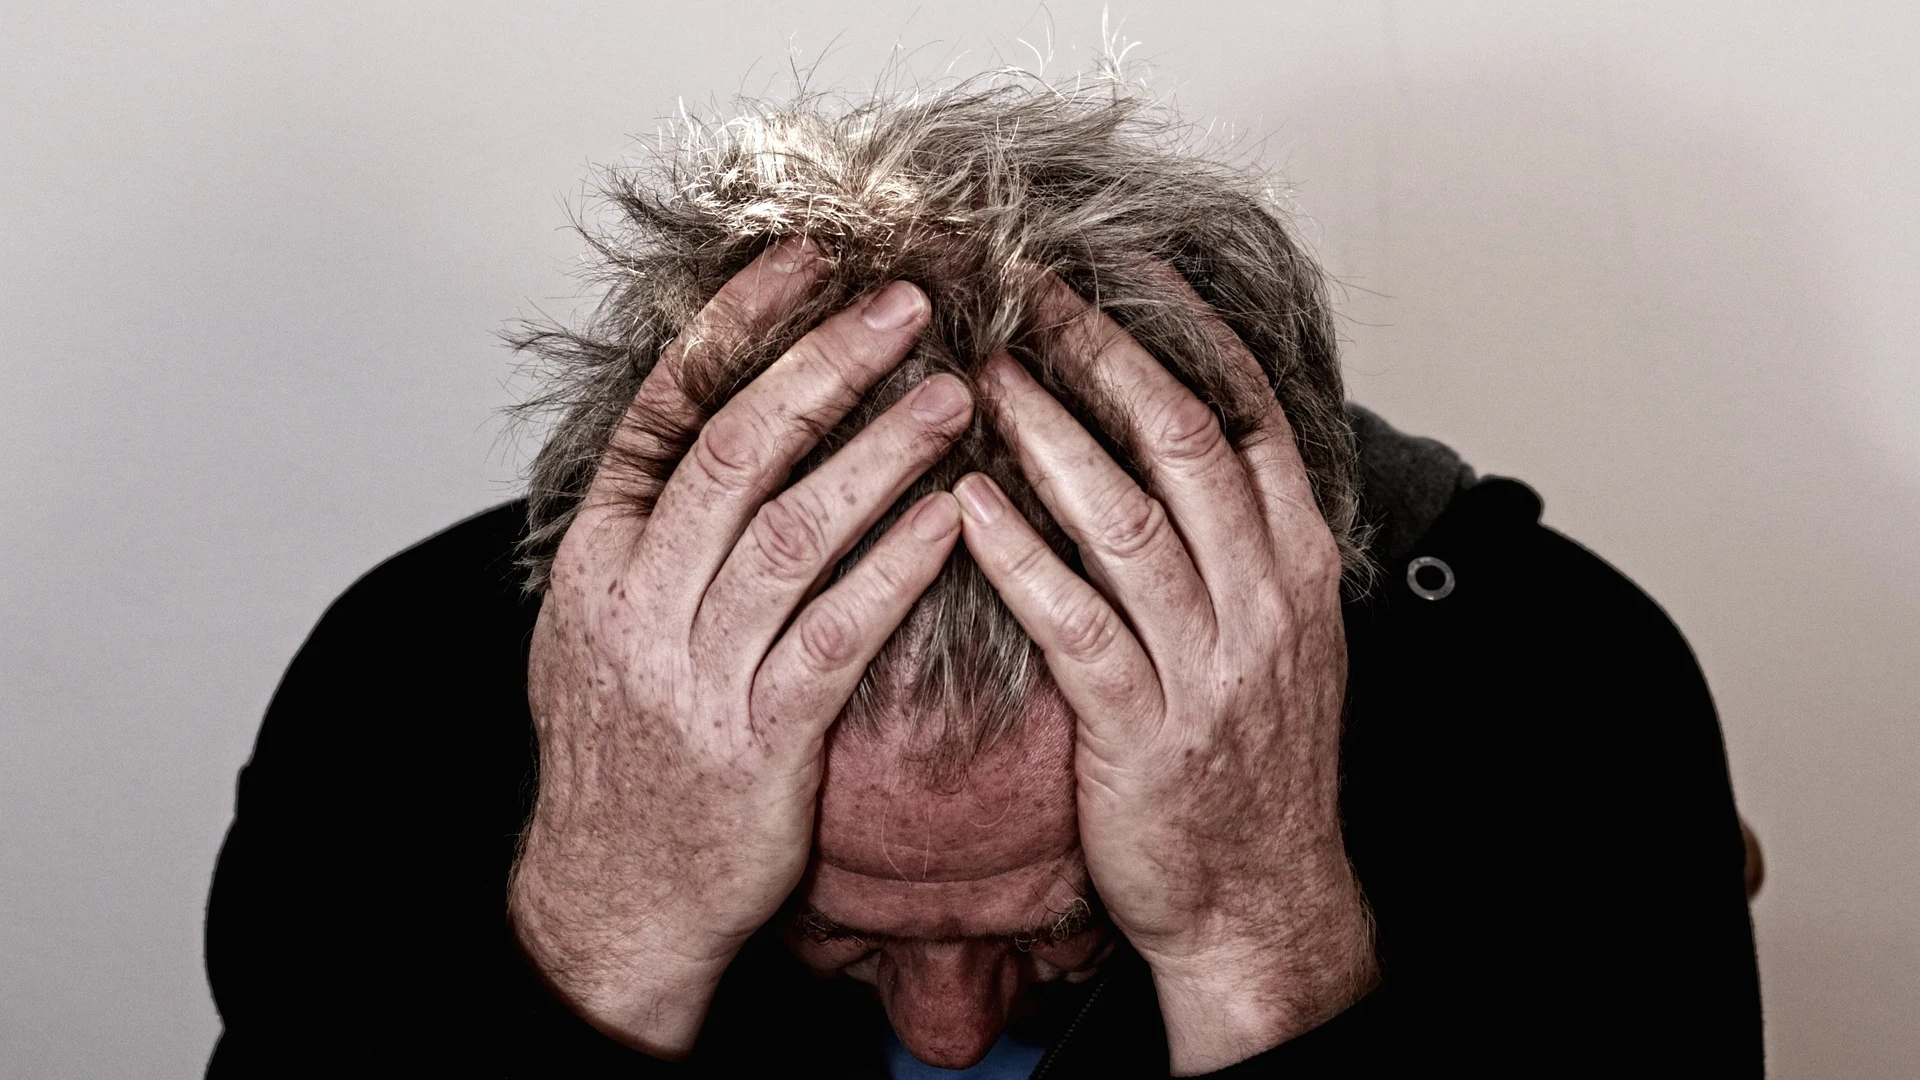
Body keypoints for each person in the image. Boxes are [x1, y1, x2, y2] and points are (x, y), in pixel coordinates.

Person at [204, 75, 1763, 1077]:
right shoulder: (403, 687)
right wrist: (604, 942)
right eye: (845, 932)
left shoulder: (1569, 694)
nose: (949, 1041)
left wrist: (1254, 940)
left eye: (1064, 924)